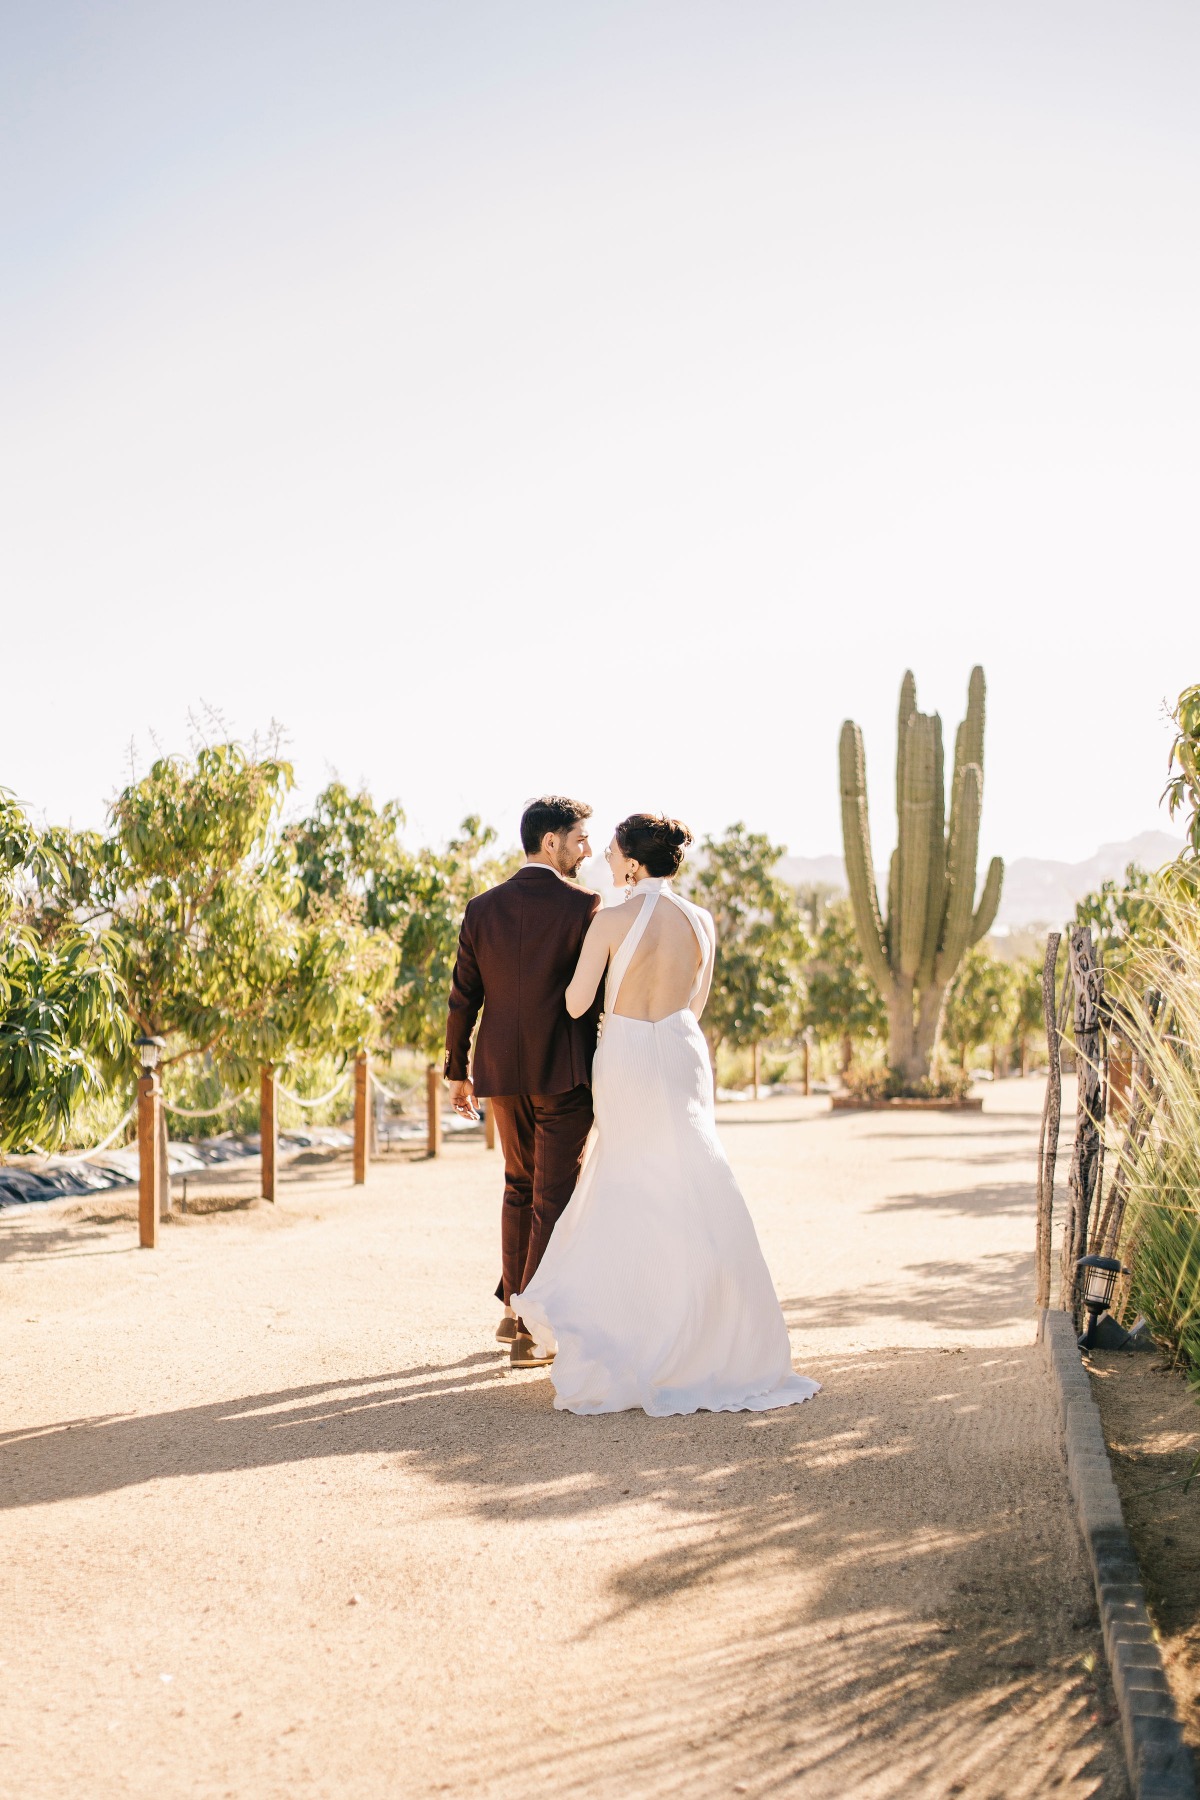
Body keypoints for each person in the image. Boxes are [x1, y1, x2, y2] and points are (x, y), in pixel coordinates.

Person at [512, 813, 821, 1416]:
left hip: (626, 1053)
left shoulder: (608, 920)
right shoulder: (701, 921)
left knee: (629, 1182)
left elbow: (577, 1005)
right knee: (692, 1178)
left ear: (631, 862)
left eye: (612, 850)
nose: (604, 855)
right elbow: (695, 1005)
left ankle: (634, 1327)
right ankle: (710, 1332)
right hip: (681, 1051)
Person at [444, 795, 602, 1367]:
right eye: (580, 838)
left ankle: (514, 1313)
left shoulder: (481, 907)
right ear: (551, 841)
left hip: (499, 1074)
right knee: (552, 1193)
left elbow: (464, 996)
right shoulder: (584, 906)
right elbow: (593, 998)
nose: (586, 849)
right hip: (561, 1071)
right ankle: (534, 1330)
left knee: (518, 1184)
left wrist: (457, 1070)